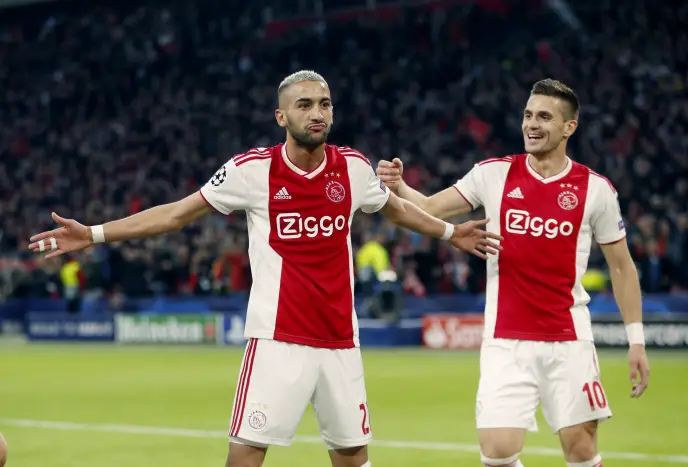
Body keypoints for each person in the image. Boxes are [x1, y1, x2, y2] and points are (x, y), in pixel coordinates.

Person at [28, 70, 503, 467]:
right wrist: (92, 234)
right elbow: (175, 213)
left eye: (324, 104)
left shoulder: (354, 169)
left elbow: (396, 209)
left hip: (340, 340)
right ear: (281, 116)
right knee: (245, 459)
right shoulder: (250, 171)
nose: (317, 113)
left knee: (353, 457)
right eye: (304, 105)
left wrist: (449, 232)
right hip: (278, 341)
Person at [376, 78, 651, 467]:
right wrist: (400, 186)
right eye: (527, 115)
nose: (531, 124)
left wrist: (635, 340)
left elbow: (622, 267)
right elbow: (432, 209)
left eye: (544, 116)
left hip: (568, 340)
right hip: (505, 340)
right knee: (497, 452)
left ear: (569, 127)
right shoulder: (493, 173)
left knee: (582, 451)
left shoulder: (595, 189)